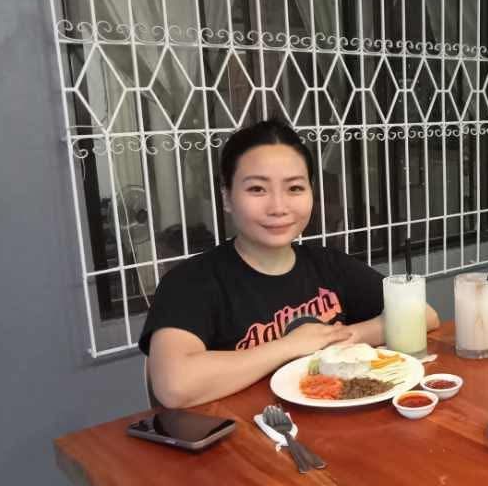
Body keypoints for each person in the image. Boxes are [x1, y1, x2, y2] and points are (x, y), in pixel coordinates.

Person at [139, 119, 440, 408]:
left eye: (294, 188)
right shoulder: (191, 282)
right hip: (244, 445)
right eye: (257, 189)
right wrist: (289, 346)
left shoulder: (329, 265)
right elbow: (174, 385)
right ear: (227, 198)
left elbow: (425, 316)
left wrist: (337, 339)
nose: (279, 207)